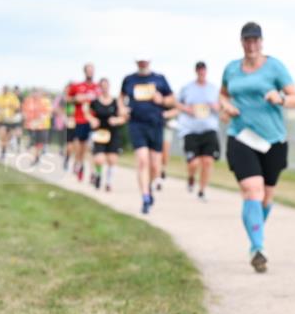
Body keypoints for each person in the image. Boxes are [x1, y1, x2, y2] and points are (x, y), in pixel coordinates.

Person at [219, 22, 295, 273]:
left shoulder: (275, 67)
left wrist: (281, 99)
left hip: (273, 139)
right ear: (242, 42)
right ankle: (258, 248)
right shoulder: (232, 69)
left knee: (265, 196)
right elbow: (222, 95)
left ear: (262, 41)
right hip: (241, 136)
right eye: (247, 40)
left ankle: (255, 235)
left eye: (255, 40)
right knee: (251, 190)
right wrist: (226, 106)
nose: (251, 44)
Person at [121, 57, 174, 214]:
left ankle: (149, 188)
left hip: (155, 124)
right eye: (140, 60)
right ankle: (144, 197)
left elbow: (172, 99)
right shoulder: (129, 79)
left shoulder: (159, 79)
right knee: (142, 161)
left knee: (154, 165)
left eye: (145, 60)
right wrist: (122, 109)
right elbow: (121, 97)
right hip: (137, 124)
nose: (142, 63)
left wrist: (162, 99)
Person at [177, 61, 221, 201]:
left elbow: (221, 106)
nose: (201, 73)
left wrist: (216, 106)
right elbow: (177, 103)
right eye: (199, 70)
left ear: (206, 71)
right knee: (193, 163)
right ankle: (191, 177)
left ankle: (202, 191)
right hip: (191, 129)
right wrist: (187, 109)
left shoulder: (213, 89)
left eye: (203, 70)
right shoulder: (187, 88)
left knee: (208, 161)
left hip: (209, 128)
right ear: (196, 71)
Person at [87, 78, 126, 192]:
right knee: (99, 159)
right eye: (102, 86)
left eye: (106, 85)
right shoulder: (94, 102)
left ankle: (108, 182)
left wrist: (117, 120)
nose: (104, 88)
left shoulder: (115, 101)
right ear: (99, 87)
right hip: (99, 133)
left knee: (112, 159)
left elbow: (124, 117)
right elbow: (87, 114)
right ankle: (98, 175)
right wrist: (92, 120)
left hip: (113, 133)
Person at [67, 64, 100, 181]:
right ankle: (79, 164)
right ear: (85, 72)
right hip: (79, 119)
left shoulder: (97, 87)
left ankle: (91, 171)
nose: (90, 72)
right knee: (79, 146)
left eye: (92, 70)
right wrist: (76, 99)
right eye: (88, 70)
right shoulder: (77, 86)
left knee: (89, 147)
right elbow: (68, 98)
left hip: (92, 121)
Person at [22, 89, 53, 165]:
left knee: (39, 143)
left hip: (42, 126)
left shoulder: (45, 101)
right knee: (34, 143)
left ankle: (37, 157)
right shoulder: (28, 101)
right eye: (34, 93)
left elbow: (47, 113)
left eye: (37, 93)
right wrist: (28, 118)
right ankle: (35, 158)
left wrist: (38, 121)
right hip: (31, 126)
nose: (35, 95)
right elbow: (24, 111)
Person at [0, 85, 21, 160]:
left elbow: (18, 107)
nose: (4, 91)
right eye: (3, 89)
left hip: (10, 120)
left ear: (8, 90)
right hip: (1, 120)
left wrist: (12, 107)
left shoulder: (12, 97)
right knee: (3, 136)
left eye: (6, 89)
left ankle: (9, 146)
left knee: (7, 136)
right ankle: (3, 152)